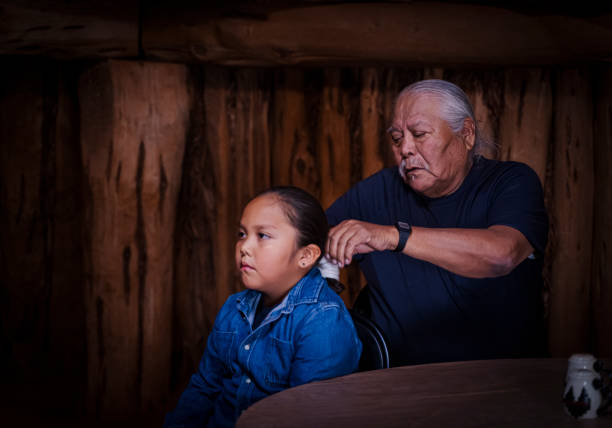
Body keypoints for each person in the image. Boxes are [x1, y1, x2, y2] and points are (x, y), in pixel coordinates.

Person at [325, 79, 548, 367]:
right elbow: (307, 245)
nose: (405, 148)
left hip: (502, 382)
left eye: (419, 134)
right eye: (396, 138)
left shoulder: (510, 182)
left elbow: (502, 254)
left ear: (466, 134)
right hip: (397, 386)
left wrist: (394, 237)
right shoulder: (377, 191)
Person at [165, 186, 362, 427]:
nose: (244, 247)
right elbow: (205, 388)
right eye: (241, 234)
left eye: (263, 236)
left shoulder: (323, 322)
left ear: (306, 256)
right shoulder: (233, 308)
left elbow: (307, 417)